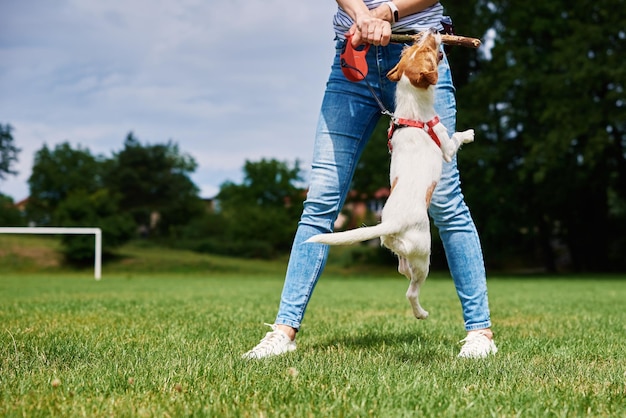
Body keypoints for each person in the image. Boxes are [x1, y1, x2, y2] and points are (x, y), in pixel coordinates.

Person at [243, 0, 497, 359]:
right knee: (321, 198)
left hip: (416, 57)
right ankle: (283, 331)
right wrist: (361, 15)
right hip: (353, 63)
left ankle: (480, 334)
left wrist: (387, 12)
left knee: (445, 199)